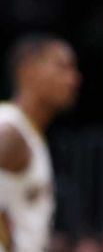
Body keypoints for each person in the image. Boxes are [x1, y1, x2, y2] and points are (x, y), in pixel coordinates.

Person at [0, 34, 82, 252]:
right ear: (27, 70)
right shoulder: (11, 132)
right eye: (62, 67)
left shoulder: (28, 132)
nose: (73, 79)